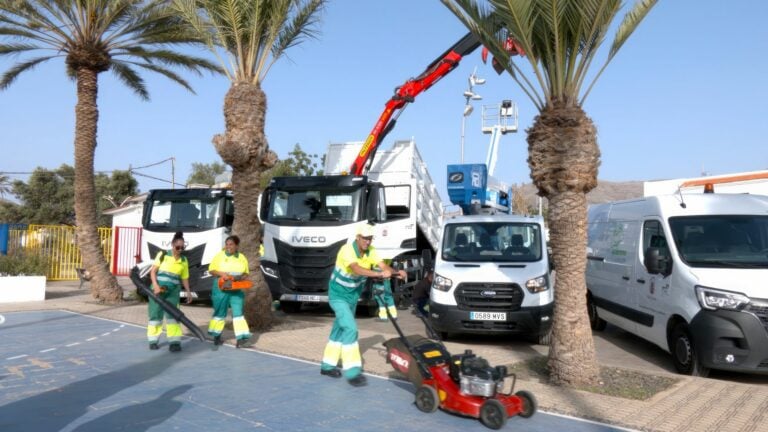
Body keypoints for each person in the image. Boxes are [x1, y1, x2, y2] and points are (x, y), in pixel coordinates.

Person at [320, 224, 406, 387]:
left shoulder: (371, 251)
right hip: (338, 297)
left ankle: (327, 365)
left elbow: (383, 266)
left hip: (352, 298)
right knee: (351, 329)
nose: (368, 241)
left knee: (339, 331)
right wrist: (379, 274)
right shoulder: (347, 250)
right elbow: (357, 269)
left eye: (370, 238)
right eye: (365, 238)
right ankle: (352, 371)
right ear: (358, 237)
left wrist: (396, 273)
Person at [148, 231, 191, 352]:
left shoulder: (184, 260)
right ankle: (153, 340)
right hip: (158, 289)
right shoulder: (163, 254)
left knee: (173, 316)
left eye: (183, 247)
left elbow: (185, 277)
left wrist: (188, 291)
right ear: (172, 245)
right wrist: (156, 286)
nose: (180, 249)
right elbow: (153, 272)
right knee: (156, 315)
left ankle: (175, 342)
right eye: (178, 247)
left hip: (173, 292)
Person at [207, 235, 252, 348]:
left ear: (237, 246)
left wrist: (239, 277)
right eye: (227, 244)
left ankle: (241, 339)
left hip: (236, 288)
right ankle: (216, 336)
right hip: (221, 288)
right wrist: (222, 274)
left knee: (238, 314)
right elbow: (211, 270)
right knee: (220, 312)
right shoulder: (219, 256)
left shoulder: (242, 257)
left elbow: (246, 273)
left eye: (231, 244)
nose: (228, 247)